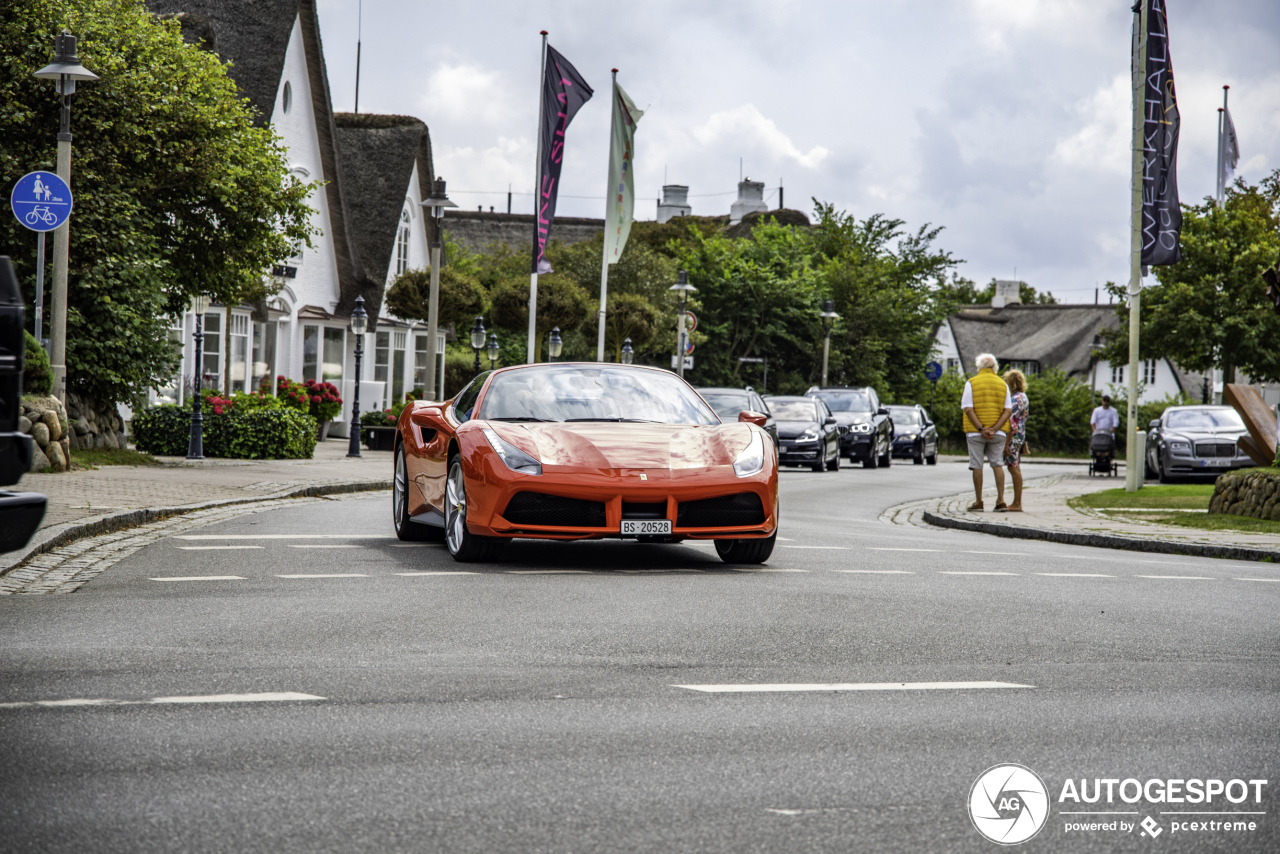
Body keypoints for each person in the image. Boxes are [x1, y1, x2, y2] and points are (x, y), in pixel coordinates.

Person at [961, 353, 1012, 512]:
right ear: (995, 367)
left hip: (975, 433)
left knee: (977, 465)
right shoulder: (1003, 384)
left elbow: (968, 409)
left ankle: (979, 501)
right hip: (998, 433)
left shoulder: (971, 383)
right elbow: (1008, 411)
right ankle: (1001, 500)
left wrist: (982, 429)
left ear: (979, 367)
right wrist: (994, 429)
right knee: (997, 464)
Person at [1001, 369, 1029, 512]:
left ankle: (1017, 503)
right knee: (1015, 466)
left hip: (1014, 436)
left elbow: (1012, 423)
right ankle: (1016, 502)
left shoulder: (1015, 399)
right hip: (1020, 435)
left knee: (1013, 467)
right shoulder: (1023, 397)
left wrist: (1006, 444)